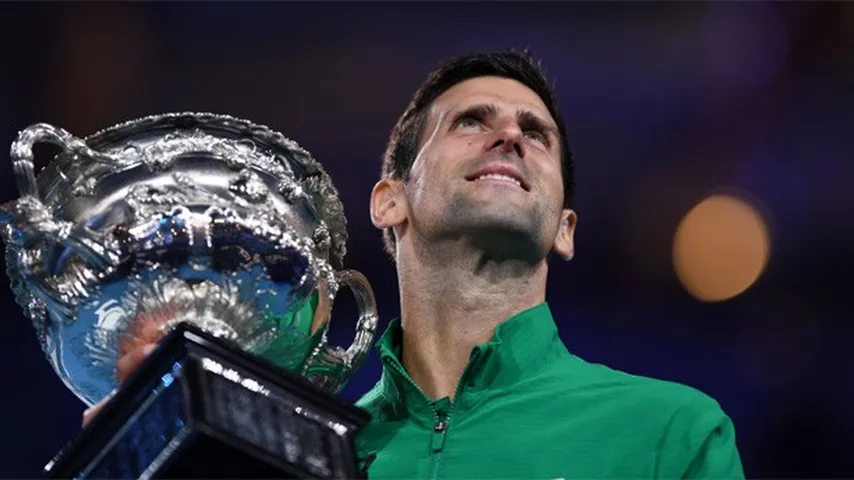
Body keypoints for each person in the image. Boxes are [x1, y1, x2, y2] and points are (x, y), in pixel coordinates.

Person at [84, 50, 745, 479]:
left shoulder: (671, 431)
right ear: (389, 201)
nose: (510, 136)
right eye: (470, 122)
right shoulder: (303, 459)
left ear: (564, 230)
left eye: (535, 134)